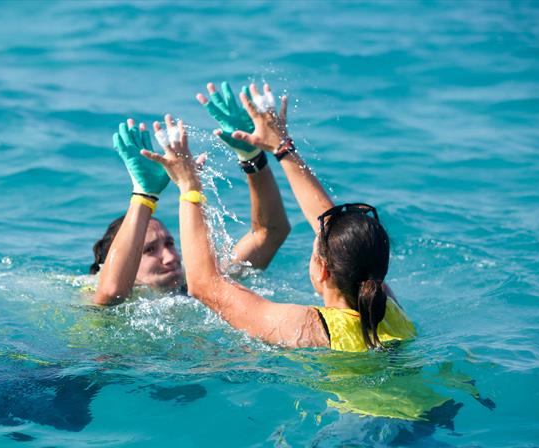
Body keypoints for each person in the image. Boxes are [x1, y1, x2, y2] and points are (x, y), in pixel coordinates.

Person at [140, 83, 416, 352]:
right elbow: (334, 229)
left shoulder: (312, 328)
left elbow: (204, 285)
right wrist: (280, 147)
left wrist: (189, 187)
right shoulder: (389, 309)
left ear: (322, 271)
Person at [91, 82, 291, 305]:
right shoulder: (107, 304)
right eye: (148, 250)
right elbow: (111, 293)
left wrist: (253, 158)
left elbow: (271, 233)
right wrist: (144, 195)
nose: (171, 257)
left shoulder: (200, 284)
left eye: (169, 243)